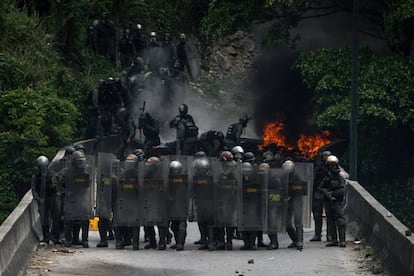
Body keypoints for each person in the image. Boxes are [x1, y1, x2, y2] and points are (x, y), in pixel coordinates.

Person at [54, 151, 91, 248]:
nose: (80, 163)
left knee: (84, 220)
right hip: (70, 199)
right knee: (68, 220)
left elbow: (88, 183)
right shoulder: (66, 172)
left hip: (82, 198)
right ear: (74, 161)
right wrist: (64, 191)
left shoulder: (85, 171)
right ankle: (68, 240)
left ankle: (84, 240)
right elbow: (57, 180)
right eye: (79, 161)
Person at [31, 156, 61, 245]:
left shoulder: (52, 174)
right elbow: (34, 189)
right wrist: (38, 199)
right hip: (42, 199)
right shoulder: (36, 176)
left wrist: (55, 189)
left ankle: (55, 237)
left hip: (52, 198)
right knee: (44, 219)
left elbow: (57, 185)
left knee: (56, 217)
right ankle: (46, 237)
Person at [319, 155, 346, 247]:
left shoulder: (340, 178)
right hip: (328, 202)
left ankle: (342, 240)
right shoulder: (327, 178)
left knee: (340, 220)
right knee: (330, 221)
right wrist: (325, 192)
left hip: (337, 202)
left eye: (332, 166)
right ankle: (334, 240)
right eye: (329, 166)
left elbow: (342, 190)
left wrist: (333, 193)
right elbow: (320, 187)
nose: (331, 168)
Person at [283, 160, 307, 251]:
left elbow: (303, 188)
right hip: (287, 201)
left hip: (297, 200)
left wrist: (293, 194)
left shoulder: (298, 177)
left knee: (298, 221)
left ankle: (300, 241)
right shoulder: (283, 176)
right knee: (287, 223)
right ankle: (295, 240)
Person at [311, 150, 332, 242]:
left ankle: (330, 234)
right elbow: (314, 179)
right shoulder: (318, 167)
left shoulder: (333, 167)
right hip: (318, 191)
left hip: (329, 192)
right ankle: (317, 234)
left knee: (330, 214)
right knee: (317, 213)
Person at [168, 160, 188, 251]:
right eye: (173, 170)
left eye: (176, 170)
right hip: (172, 205)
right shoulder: (169, 179)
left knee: (182, 225)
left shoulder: (183, 179)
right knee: (174, 225)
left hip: (182, 204)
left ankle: (181, 243)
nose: (174, 171)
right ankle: (177, 242)